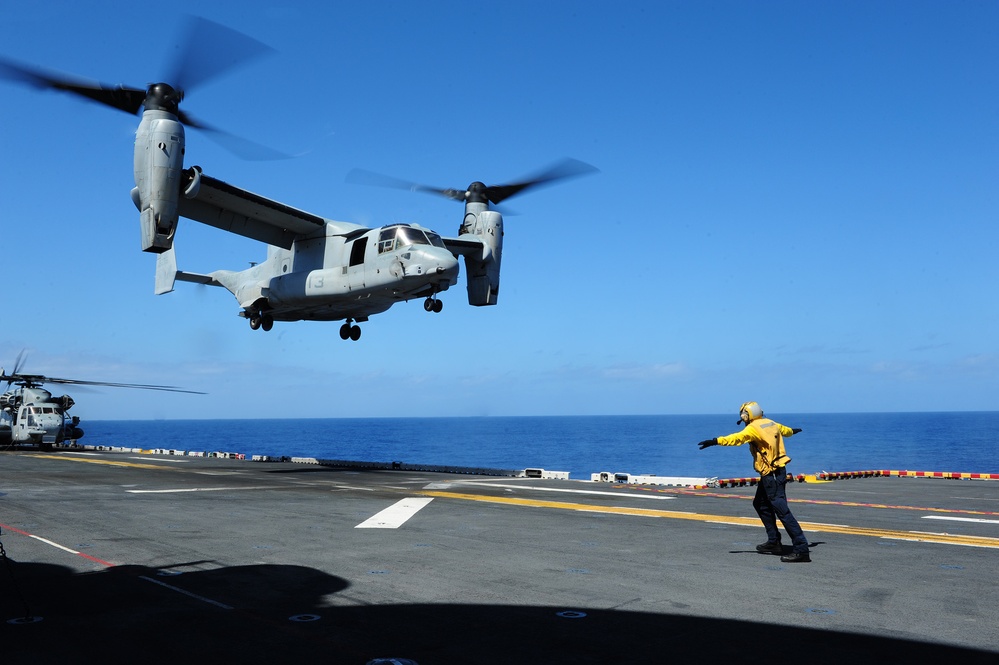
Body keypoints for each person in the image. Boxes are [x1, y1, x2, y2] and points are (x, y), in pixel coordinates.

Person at [697, 401, 811, 563]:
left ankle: (801, 549)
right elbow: (786, 430)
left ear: (746, 415)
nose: (742, 417)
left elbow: (736, 438)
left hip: (771, 474)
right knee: (760, 504)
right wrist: (793, 431)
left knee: (782, 510)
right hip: (775, 472)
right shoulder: (770, 423)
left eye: (743, 415)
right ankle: (774, 542)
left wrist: (715, 441)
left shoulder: (752, 428)